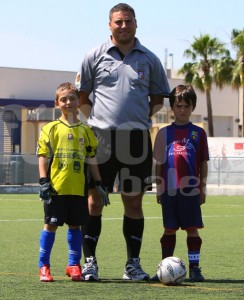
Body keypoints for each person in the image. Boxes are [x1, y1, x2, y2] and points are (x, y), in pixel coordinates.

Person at [75, 3, 170, 281]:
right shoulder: (94, 55)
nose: (123, 26)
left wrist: (136, 120)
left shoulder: (150, 59)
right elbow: (82, 96)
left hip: (136, 140)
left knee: (133, 202)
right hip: (101, 140)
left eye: (128, 21)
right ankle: (90, 262)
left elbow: (156, 99)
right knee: (93, 202)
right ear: (109, 25)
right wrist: (96, 123)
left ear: (136, 24)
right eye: (118, 22)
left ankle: (132, 265)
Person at [37, 82, 109, 282]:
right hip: (56, 189)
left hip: (79, 190)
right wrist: (43, 181)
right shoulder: (50, 129)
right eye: (64, 99)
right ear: (56, 103)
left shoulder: (86, 131)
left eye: (72, 98)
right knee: (49, 226)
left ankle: (73, 265)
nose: (68, 102)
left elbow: (92, 159)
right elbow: (42, 155)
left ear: (79, 101)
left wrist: (99, 183)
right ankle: (44, 266)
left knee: (75, 227)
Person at [153, 84, 209, 282]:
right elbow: (159, 164)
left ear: (192, 107)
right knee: (169, 229)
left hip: (190, 190)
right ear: (172, 108)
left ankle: (195, 268)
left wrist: (202, 188)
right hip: (169, 189)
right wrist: (158, 188)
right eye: (178, 106)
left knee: (192, 228)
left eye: (187, 106)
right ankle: (164, 268)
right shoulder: (163, 133)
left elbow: (203, 163)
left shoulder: (198, 133)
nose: (182, 110)